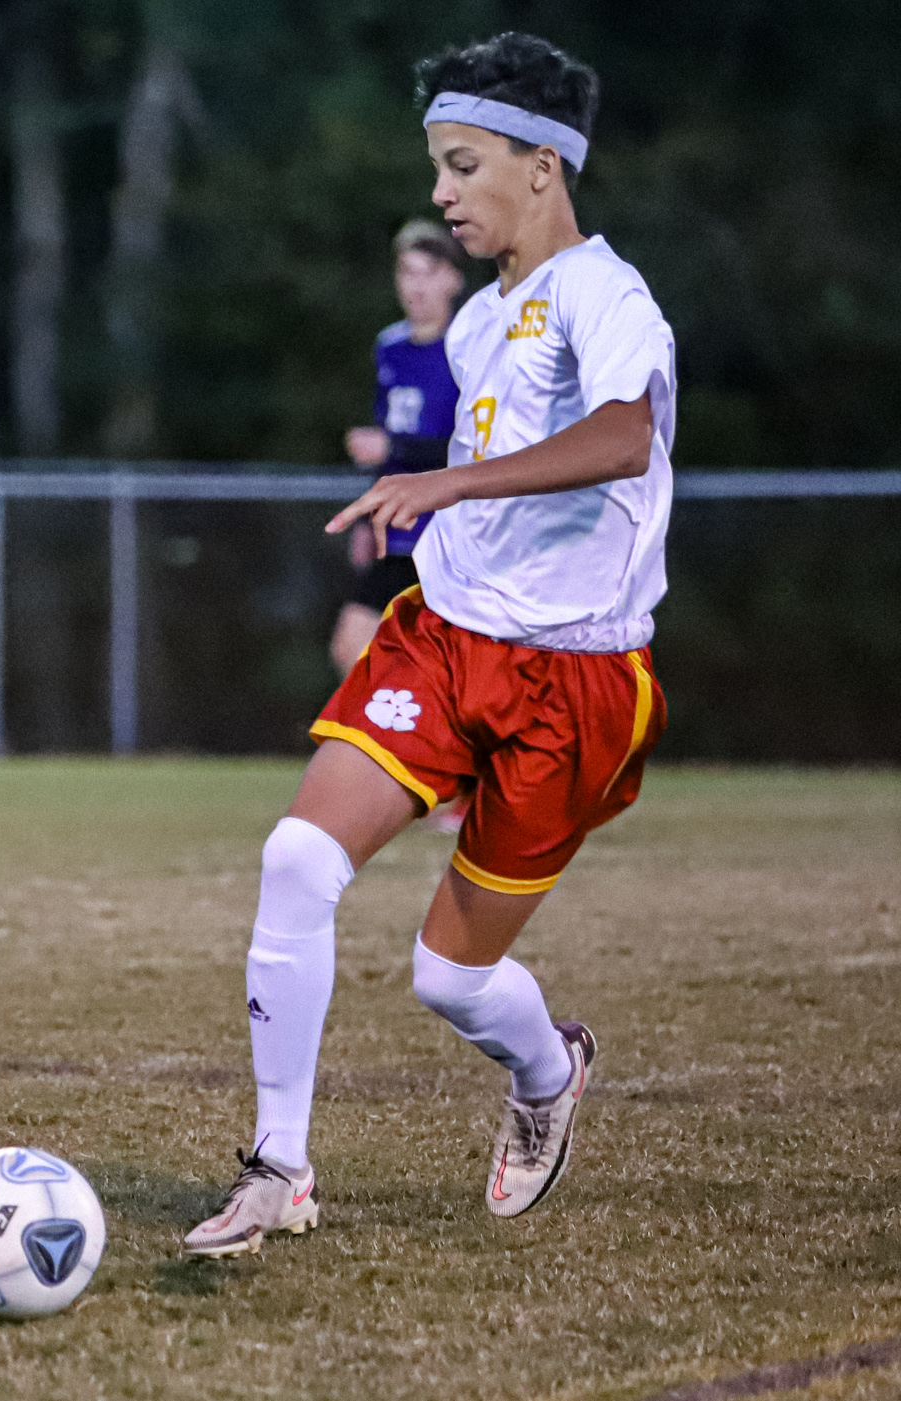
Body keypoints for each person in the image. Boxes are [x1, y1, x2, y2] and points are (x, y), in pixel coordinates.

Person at [184, 31, 674, 1257]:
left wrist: (446, 489)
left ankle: (545, 1073)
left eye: (462, 167)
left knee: (448, 982)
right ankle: (276, 1169)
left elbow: (622, 439)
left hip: (571, 681)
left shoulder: (607, 299)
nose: (442, 194)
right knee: (296, 859)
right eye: (437, 169)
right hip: (443, 642)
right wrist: (432, 493)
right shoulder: (471, 330)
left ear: (542, 166)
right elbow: (478, 476)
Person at [330, 220, 466, 678]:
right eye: (407, 272)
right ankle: (396, 745)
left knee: (444, 667)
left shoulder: (470, 347)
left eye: (428, 271)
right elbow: (387, 449)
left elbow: (477, 451)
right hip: (400, 532)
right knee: (354, 647)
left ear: (453, 278)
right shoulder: (390, 347)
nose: (416, 285)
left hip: (451, 536)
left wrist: (394, 443)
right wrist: (369, 519)